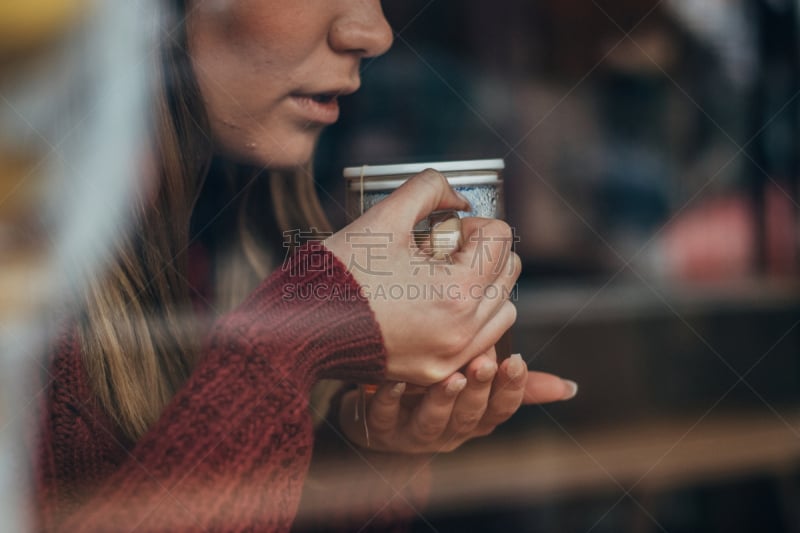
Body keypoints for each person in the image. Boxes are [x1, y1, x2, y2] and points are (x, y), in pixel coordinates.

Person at [34, 0, 578, 531]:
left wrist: (365, 452)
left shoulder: (228, 224)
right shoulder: (29, 302)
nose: (375, 32)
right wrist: (302, 330)